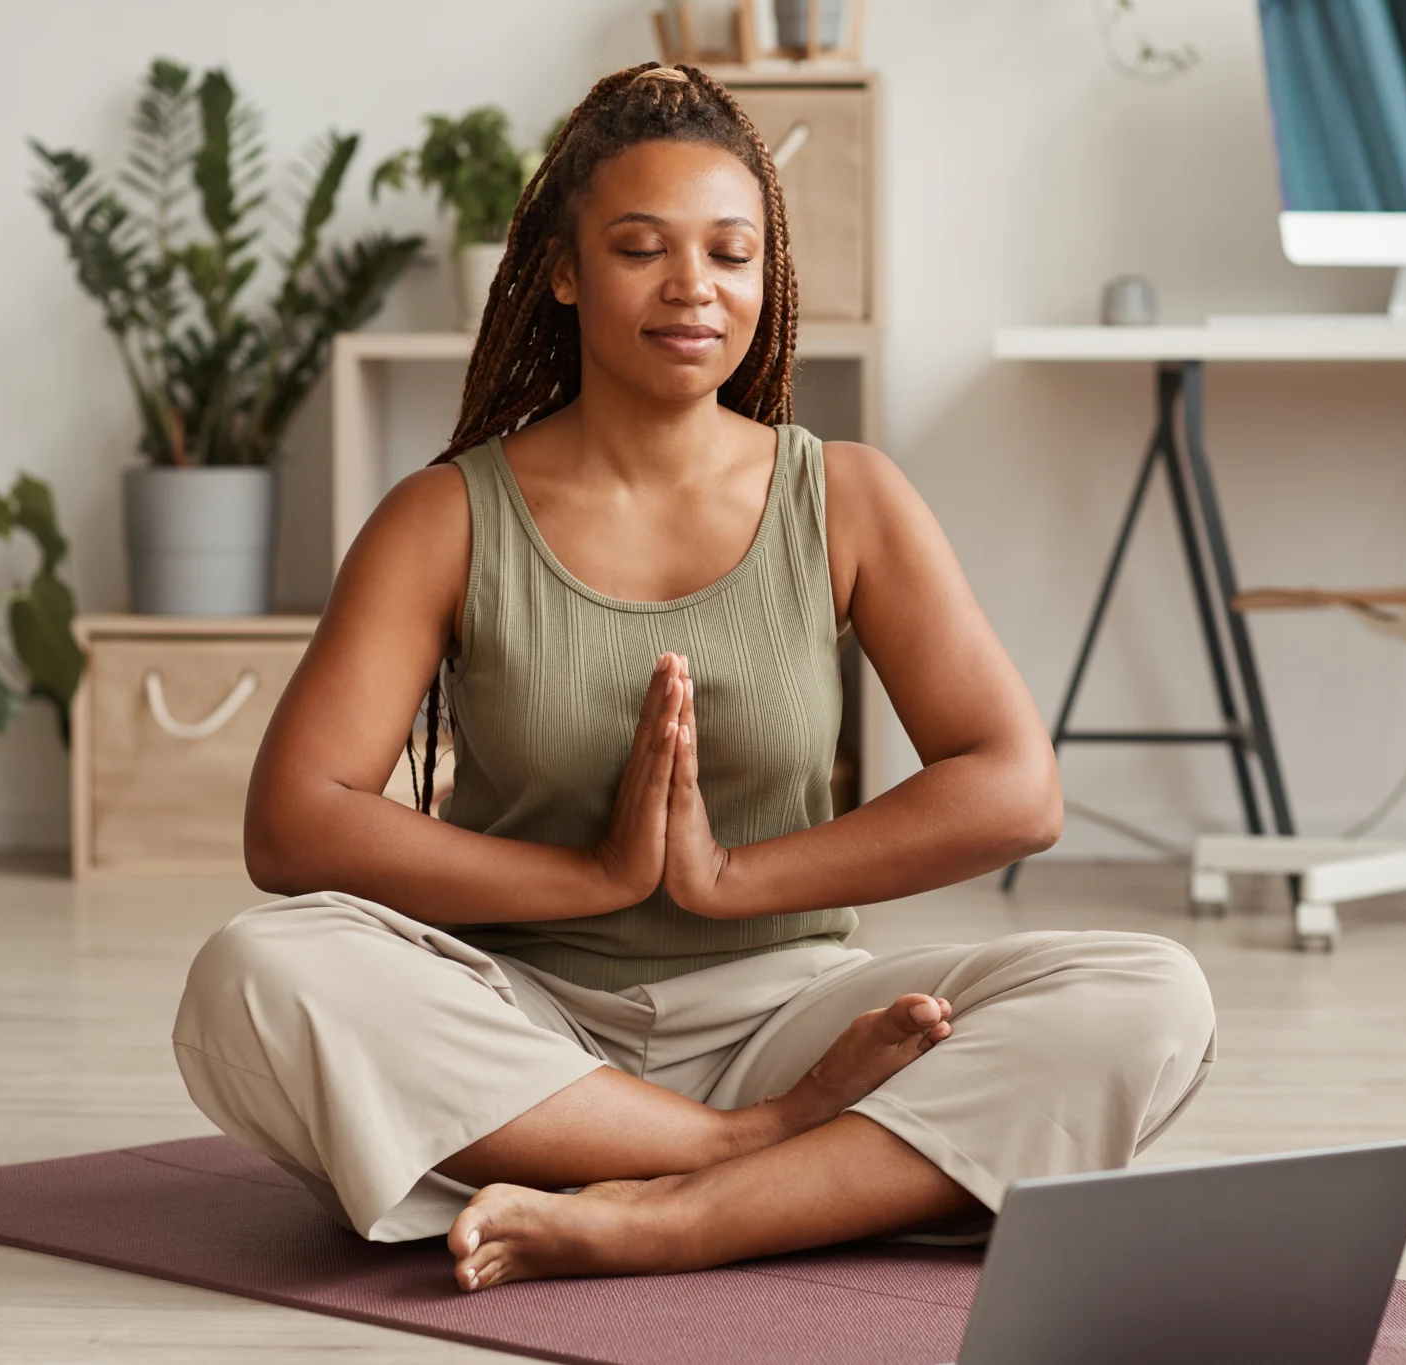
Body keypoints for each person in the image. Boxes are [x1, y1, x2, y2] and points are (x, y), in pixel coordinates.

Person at [172, 62, 1215, 1294]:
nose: (693, 289)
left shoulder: (851, 498)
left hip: (792, 1019)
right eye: (640, 248)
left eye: (729, 254)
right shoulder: (444, 515)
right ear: (563, 272)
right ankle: (751, 1162)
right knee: (259, 972)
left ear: (762, 280)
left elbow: (1013, 788)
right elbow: (295, 822)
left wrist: (726, 881)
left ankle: (664, 1220)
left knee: (1150, 994)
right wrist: (591, 879)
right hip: (522, 1025)